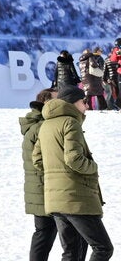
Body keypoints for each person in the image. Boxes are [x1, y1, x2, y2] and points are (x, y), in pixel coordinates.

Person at [33, 85, 113, 261]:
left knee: (72, 252)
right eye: (83, 102)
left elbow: (37, 160)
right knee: (103, 248)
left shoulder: (46, 125)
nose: (86, 106)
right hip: (76, 198)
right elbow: (74, 159)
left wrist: (56, 177)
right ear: (72, 102)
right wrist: (93, 167)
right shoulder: (70, 122)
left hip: (55, 200)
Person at [21, 88, 61, 261]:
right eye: (57, 100)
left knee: (44, 233)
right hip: (44, 187)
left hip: (40, 187)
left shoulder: (37, 125)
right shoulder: (41, 127)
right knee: (45, 233)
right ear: (46, 103)